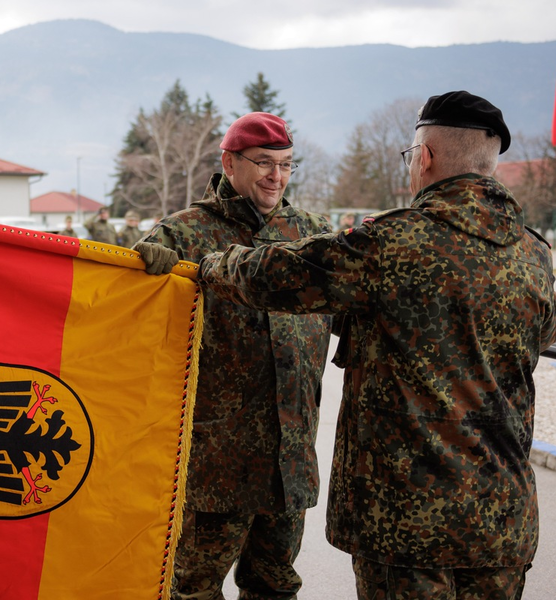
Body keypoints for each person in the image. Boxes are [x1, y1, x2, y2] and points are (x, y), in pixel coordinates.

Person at [196, 92, 556, 598]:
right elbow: (537, 336)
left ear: (424, 157)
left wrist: (212, 264)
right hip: (502, 522)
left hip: (408, 524)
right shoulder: (534, 254)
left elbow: (273, 274)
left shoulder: (389, 245)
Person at [134, 112, 332, 600]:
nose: (276, 176)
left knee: (276, 586)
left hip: (290, 460)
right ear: (229, 162)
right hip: (215, 463)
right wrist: (142, 269)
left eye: (286, 165)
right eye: (264, 163)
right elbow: (132, 317)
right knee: (193, 589)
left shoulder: (313, 235)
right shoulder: (184, 234)